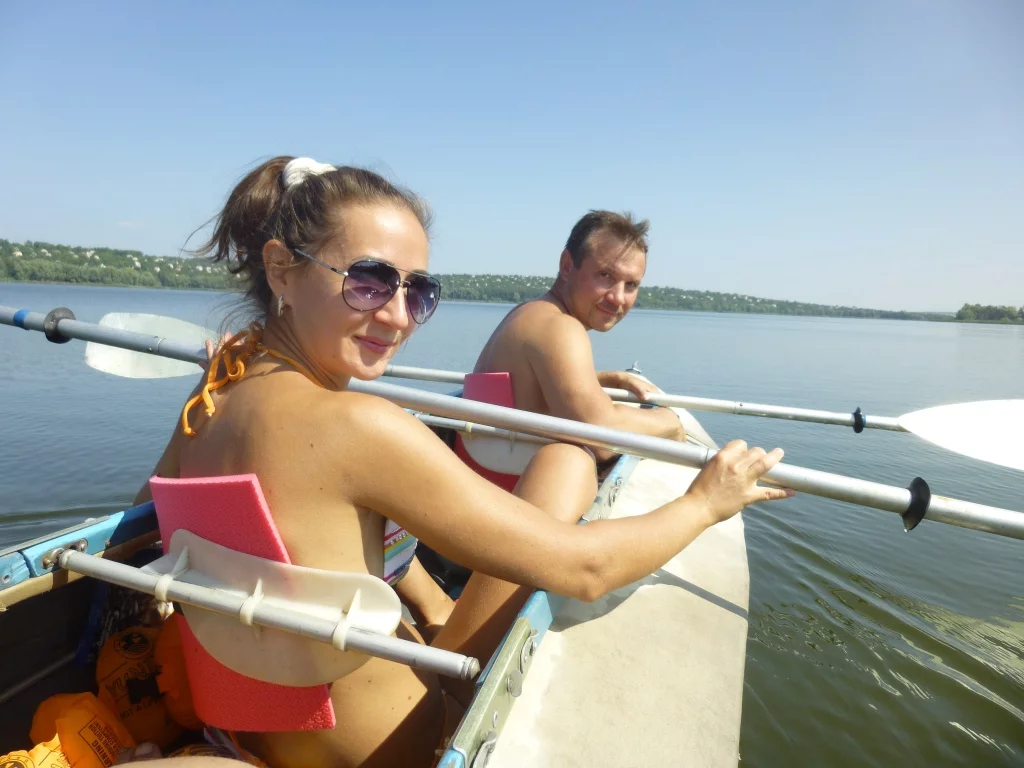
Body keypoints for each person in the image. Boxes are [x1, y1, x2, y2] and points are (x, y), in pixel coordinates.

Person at [135, 156, 792, 768]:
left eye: (418, 292)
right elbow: (586, 570)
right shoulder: (359, 426)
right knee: (568, 466)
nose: (398, 317)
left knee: (560, 464)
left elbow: (150, 515)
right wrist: (705, 502)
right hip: (397, 747)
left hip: (242, 725)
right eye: (368, 281)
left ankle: (435, 617)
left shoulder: (213, 392)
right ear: (281, 269)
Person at [472, 210, 683, 465]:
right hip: (509, 482)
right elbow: (600, 439)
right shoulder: (558, 327)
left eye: (631, 285)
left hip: (488, 469)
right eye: (605, 276)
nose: (618, 298)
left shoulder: (529, 313)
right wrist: (670, 422)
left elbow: (534, 386)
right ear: (567, 266)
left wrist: (611, 378)